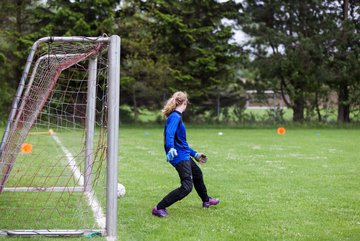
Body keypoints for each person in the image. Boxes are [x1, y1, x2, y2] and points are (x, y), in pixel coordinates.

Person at [152, 91, 219, 217]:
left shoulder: (176, 116)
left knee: (197, 174)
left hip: (183, 154)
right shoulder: (175, 117)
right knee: (187, 187)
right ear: (185, 103)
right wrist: (171, 148)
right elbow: (169, 135)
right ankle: (159, 207)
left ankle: (206, 200)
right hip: (179, 157)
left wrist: (195, 154)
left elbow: (182, 142)